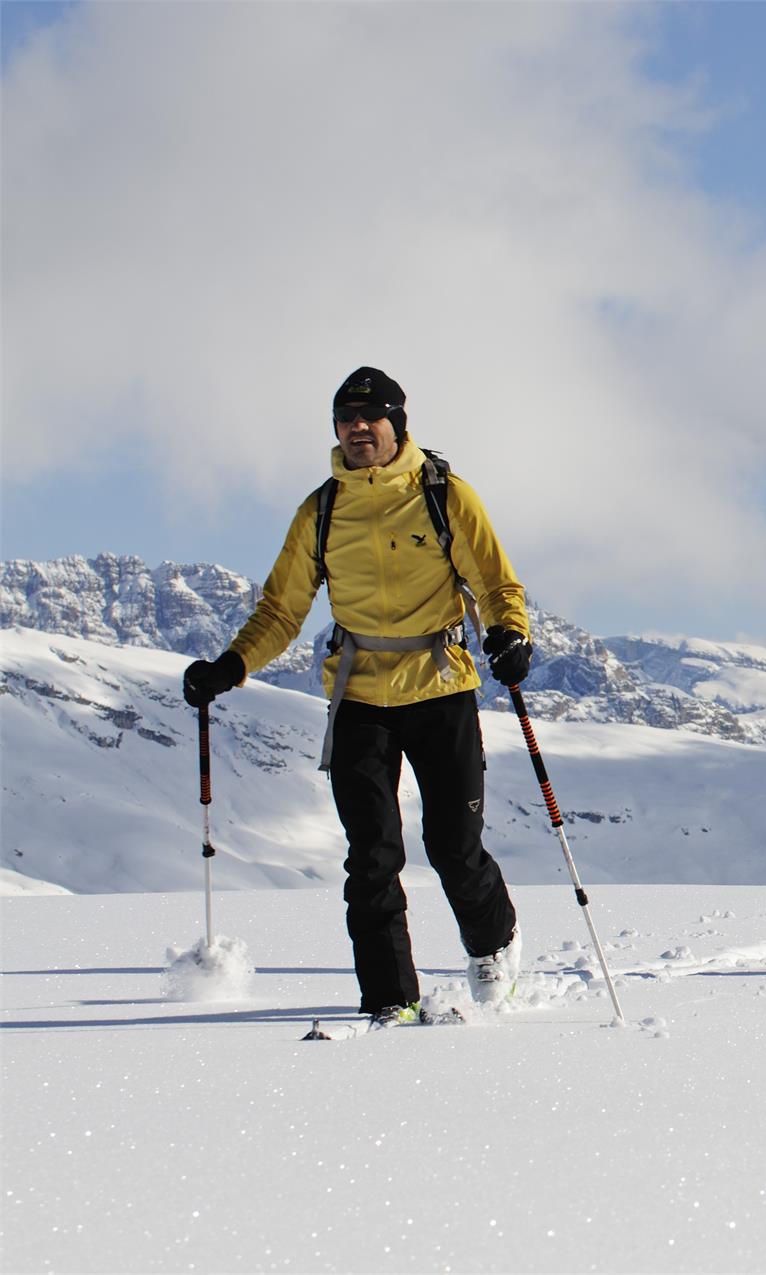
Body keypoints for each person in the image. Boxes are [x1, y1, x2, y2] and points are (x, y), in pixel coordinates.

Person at [182, 367, 533, 1023]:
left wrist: (511, 635)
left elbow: (496, 584)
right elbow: (281, 611)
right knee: (371, 855)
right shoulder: (321, 511)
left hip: (440, 687)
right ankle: (390, 999)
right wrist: (231, 666)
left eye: (371, 417)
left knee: (455, 845)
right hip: (360, 696)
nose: (358, 428)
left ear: (397, 424)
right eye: (346, 418)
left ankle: (494, 942)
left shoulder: (444, 495)